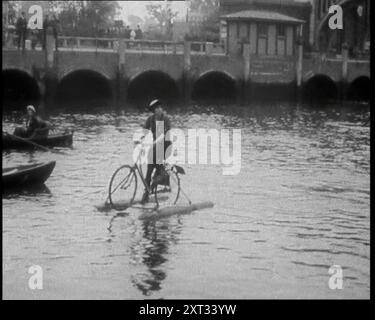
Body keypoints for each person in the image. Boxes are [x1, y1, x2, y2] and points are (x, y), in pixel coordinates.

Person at [141, 99, 172, 204]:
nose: (159, 110)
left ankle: (161, 177)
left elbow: (164, 133)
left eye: (160, 107)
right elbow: (144, 130)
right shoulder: (151, 119)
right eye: (157, 108)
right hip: (155, 146)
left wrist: (155, 143)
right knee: (149, 170)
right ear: (154, 111)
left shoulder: (165, 119)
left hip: (165, 146)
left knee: (157, 164)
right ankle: (146, 193)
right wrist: (139, 140)